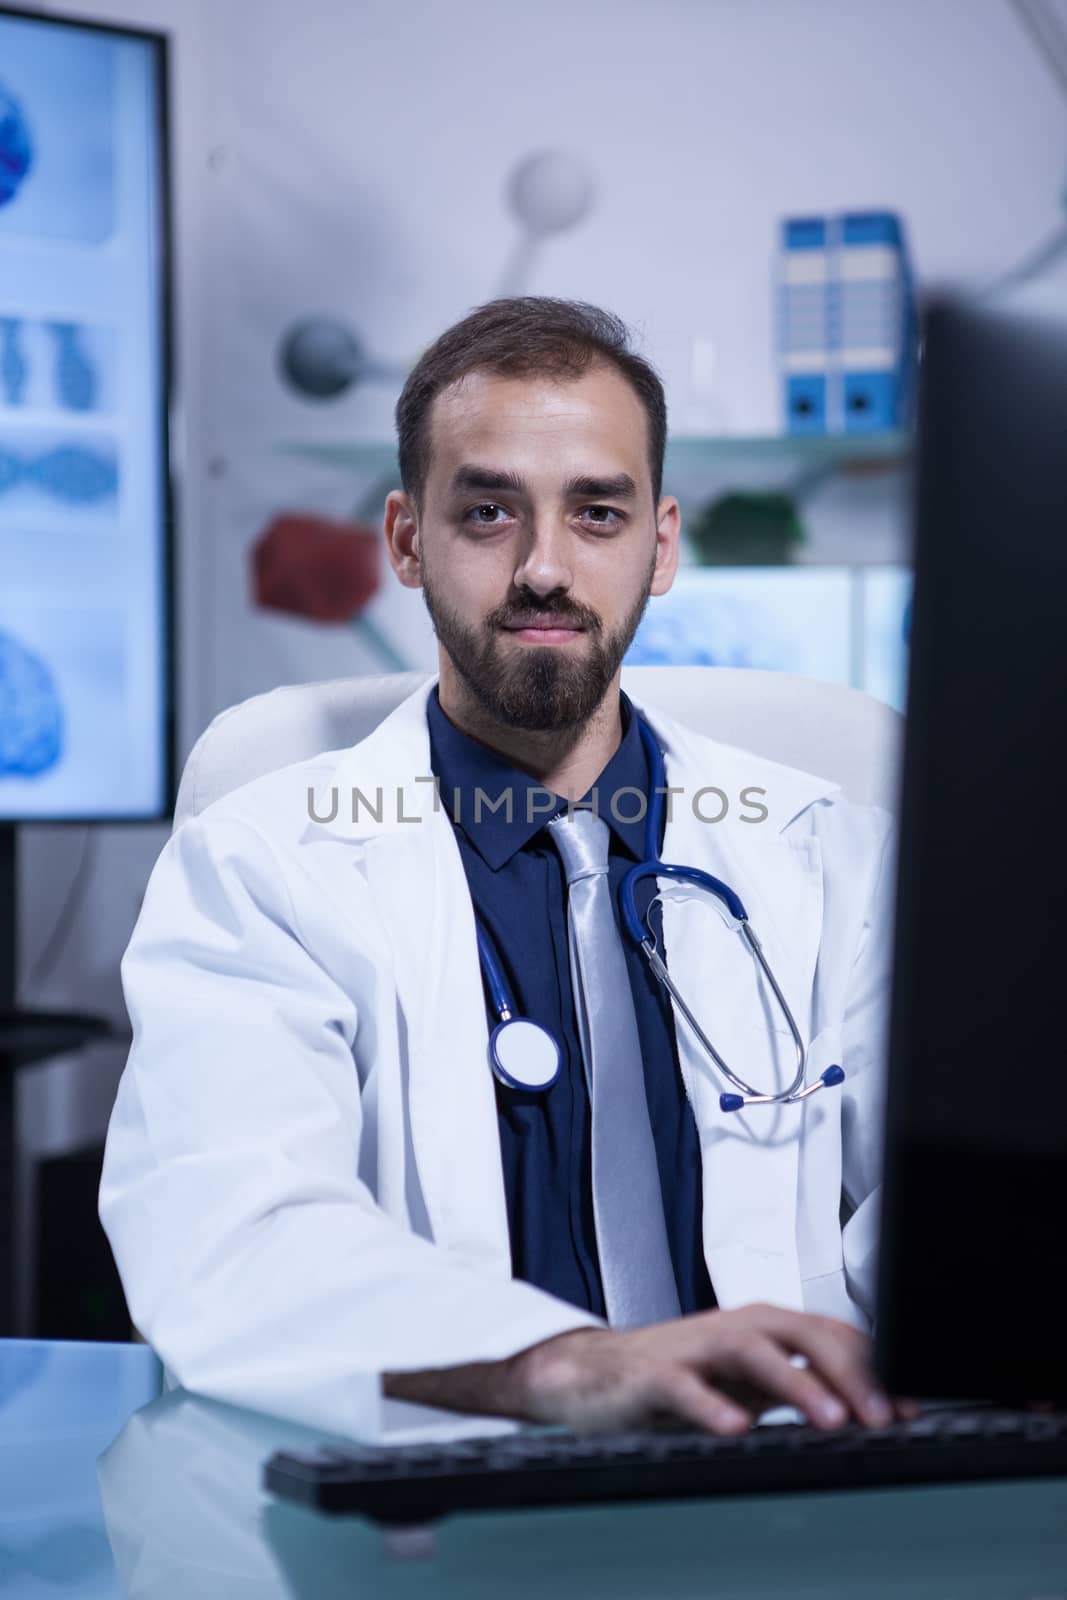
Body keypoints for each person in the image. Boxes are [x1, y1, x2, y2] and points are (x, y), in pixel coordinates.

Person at [100, 297, 909, 1444]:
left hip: (786, 1477)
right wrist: (560, 1367)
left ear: (660, 544)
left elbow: (955, 1212)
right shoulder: (261, 866)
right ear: (404, 539)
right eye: (486, 511)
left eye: (596, 512)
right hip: (448, 1489)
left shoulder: (833, 856)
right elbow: (231, 1229)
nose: (542, 567)